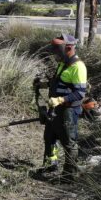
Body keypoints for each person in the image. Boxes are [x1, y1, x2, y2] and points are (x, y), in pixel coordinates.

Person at [32, 34, 88, 178]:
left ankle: (70, 175)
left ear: (68, 48)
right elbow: (58, 82)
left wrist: (60, 100)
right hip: (55, 110)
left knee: (69, 142)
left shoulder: (78, 67)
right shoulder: (63, 63)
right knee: (49, 137)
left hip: (68, 111)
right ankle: (50, 165)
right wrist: (42, 85)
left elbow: (79, 94)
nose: (54, 52)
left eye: (57, 49)